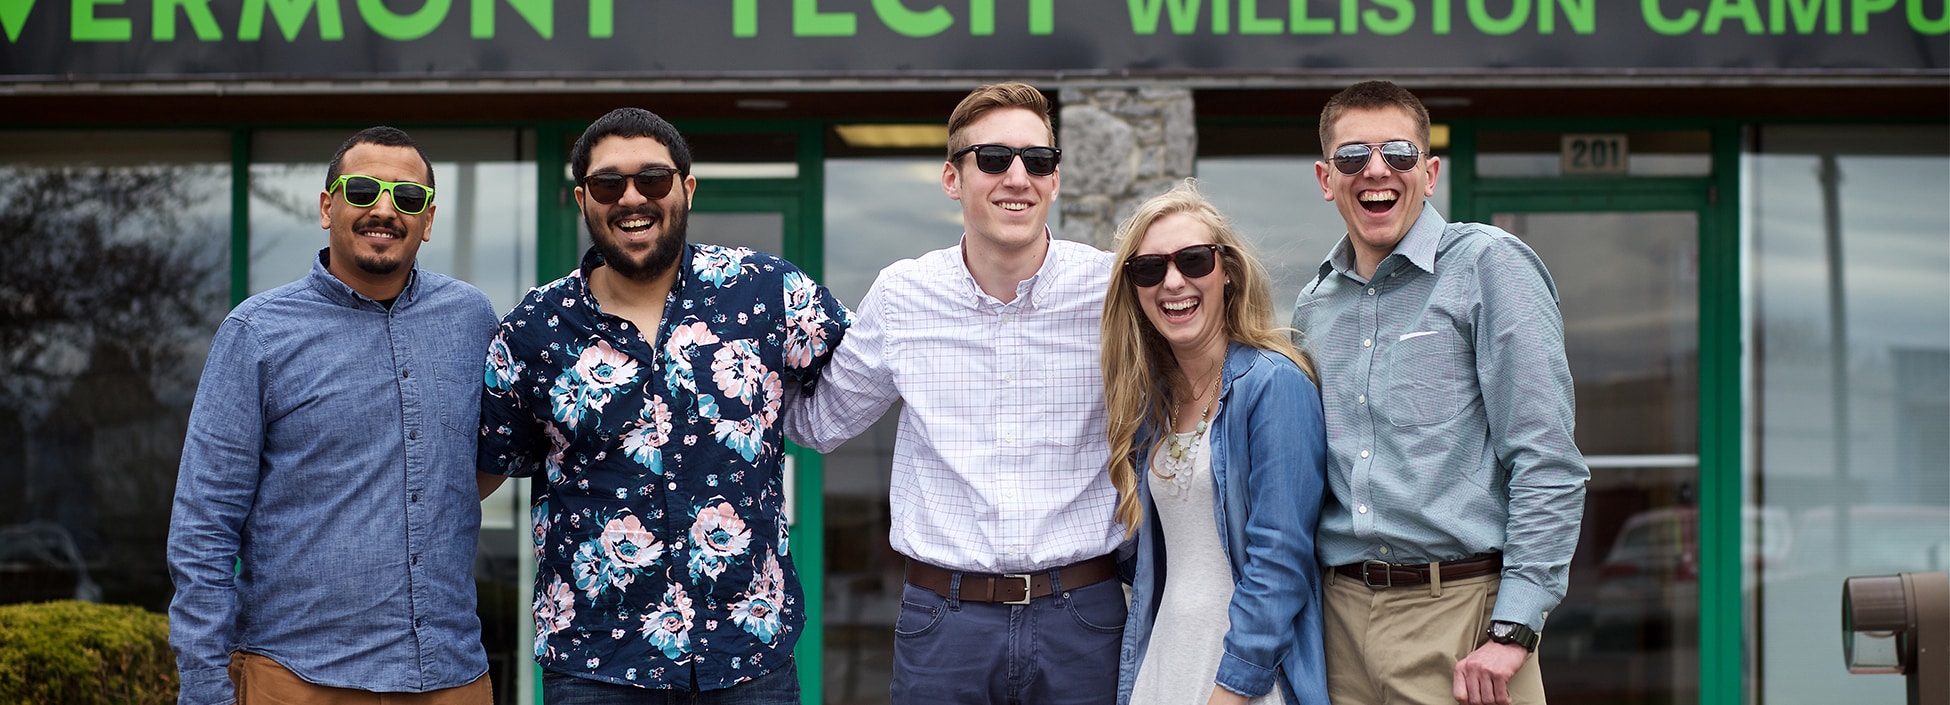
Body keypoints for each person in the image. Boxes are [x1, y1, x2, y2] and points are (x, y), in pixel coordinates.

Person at [475, 107, 849, 703]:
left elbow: (875, 369)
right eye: (608, 184)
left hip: (748, 656)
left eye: (652, 179)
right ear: (582, 199)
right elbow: (482, 470)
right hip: (595, 664)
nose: (631, 198)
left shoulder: (767, 291)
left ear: (686, 188)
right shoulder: (533, 329)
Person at [784, 82, 1126, 705]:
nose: (1017, 177)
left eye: (1038, 162)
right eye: (993, 159)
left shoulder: (1111, 291)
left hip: (1083, 616)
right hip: (946, 623)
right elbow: (819, 422)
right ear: (952, 178)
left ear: (1054, 180)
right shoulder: (902, 295)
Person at [167, 126, 497, 705]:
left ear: (428, 219)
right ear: (327, 206)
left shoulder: (472, 319)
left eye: (408, 198)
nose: (385, 210)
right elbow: (203, 527)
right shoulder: (257, 334)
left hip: (450, 678)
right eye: (364, 190)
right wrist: (202, 685)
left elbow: (494, 457)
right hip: (296, 678)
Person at [1290, 79, 1589, 705]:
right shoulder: (1314, 305)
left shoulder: (1489, 266)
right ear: (1325, 179)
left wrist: (1514, 628)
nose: (1377, 170)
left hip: (1461, 620)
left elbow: (1547, 461)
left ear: (1428, 173)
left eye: (1397, 153)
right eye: (1352, 157)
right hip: (1337, 621)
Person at [1104, 179, 1330, 705]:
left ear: (1227, 272)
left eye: (1194, 261)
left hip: (1245, 675)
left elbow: (1280, 560)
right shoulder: (1152, 406)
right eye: (1150, 268)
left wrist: (1232, 690)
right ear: (1134, 289)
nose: (1173, 282)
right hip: (1165, 659)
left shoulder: (1275, 384)